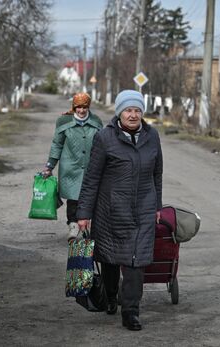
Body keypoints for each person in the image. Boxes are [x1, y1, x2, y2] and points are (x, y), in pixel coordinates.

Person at [77, 90, 163, 331]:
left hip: (144, 209)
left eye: (137, 110)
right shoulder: (105, 138)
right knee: (111, 259)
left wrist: (157, 205)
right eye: (128, 110)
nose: (133, 115)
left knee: (137, 262)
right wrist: (83, 214)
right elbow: (92, 178)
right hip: (111, 209)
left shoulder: (152, 136)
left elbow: (157, 173)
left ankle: (131, 312)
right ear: (119, 113)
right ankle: (111, 295)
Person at [42, 92, 103, 240]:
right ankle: (73, 226)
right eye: (78, 107)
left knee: (90, 198)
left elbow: (104, 144)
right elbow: (57, 144)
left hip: (91, 167)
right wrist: (50, 165)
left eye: (84, 107)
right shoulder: (64, 122)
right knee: (73, 198)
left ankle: (89, 228)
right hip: (71, 168)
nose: (81, 111)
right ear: (74, 107)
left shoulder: (96, 122)